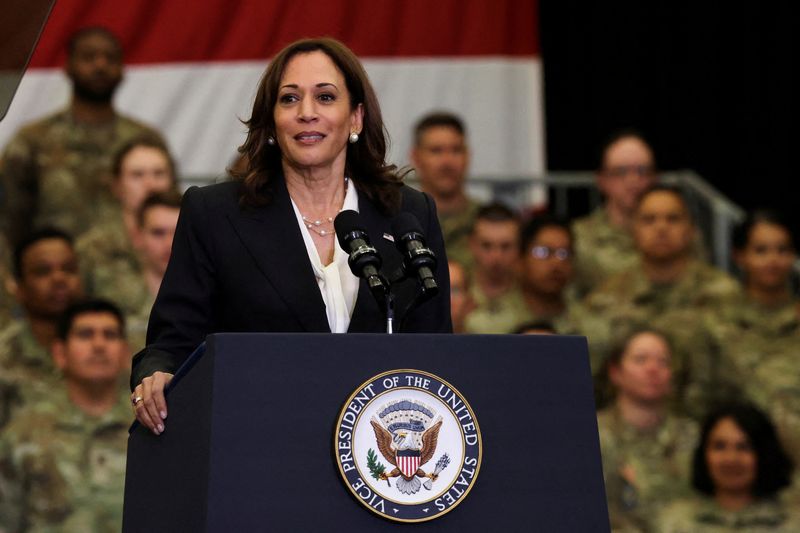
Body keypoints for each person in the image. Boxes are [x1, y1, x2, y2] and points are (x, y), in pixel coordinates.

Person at [130, 38, 451, 435]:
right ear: (271, 121)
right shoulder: (216, 214)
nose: (307, 113)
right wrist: (157, 374)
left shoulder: (408, 213)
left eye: (326, 97)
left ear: (356, 118)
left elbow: (438, 351)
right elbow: (172, 341)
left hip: (379, 452)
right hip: (258, 438)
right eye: (289, 99)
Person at [572, 185, 740, 419]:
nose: (661, 228)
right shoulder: (604, 301)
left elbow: (739, 377)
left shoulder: (724, 295)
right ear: (633, 230)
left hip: (707, 435)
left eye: (673, 219)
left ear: (690, 230)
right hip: (627, 439)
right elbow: (588, 384)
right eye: (649, 220)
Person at [0, 26, 166, 246]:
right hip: (56, 271)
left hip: (131, 273)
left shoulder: (145, 140)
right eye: (88, 57)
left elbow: (165, 213)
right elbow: (7, 223)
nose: (100, 65)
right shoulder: (32, 140)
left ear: (121, 68)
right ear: (68, 67)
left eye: (110, 58)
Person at [0, 299, 131, 532]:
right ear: (60, 353)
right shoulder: (23, 434)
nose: (99, 345)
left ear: (125, 353)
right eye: (85, 334)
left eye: (110, 335)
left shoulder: (148, 427)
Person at [596, 328, 698, 532]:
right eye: (640, 360)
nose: (653, 369)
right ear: (615, 372)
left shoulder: (694, 436)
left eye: (663, 362)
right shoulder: (591, 435)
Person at [655, 403, 797, 532]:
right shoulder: (675, 523)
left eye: (743, 447)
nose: (731, 459)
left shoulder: (791, 524)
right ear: (704, 454)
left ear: (763, 455)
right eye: (720, 446)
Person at [76, 136, 178, 316]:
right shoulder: (92, 248)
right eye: (137, 175)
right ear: (116, 185)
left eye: (159, 173)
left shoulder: (195, 237)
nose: (150, 184)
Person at [0, 228, 84, 424]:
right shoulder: (4, 358)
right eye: (43, 271)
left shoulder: (114, 347)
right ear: (18, 287)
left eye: (69, 269)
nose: (59, 279)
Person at [571, 130, 658, 298]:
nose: (633, 180)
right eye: (621, 171)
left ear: (655, 177)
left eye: (642, 170)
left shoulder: (677, 233)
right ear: (601, 180)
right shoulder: (579, 237)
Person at [410, 111, 479, 268]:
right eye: (436, 151)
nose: (447, 162)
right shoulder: (401, 221)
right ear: (415, 157)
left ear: (467, 156)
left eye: (456, 150)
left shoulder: (486, 223)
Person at [125, 190, 182, 352]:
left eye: (178, 232)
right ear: (137, 237)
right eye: (158, 233)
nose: (169, 243)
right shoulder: (113, 295)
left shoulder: (211, 298)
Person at [462, 202, 526, 334]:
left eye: (506, 246)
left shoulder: (534, 295)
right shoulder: (457, 293)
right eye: (486, 245)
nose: (496, 256)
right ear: (472, 244)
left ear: (519, 246)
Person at [515, 215, 576, 333]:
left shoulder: (590, 324)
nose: (557, 263)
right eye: (543, 252)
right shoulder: (488, 324)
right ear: (521, 259)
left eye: (564, 253)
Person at [448, 259, 475, 334]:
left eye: (455, 290)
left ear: (469, 302)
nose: (448, 301)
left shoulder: (482, 344)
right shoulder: (415, 344)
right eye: (441, 291)